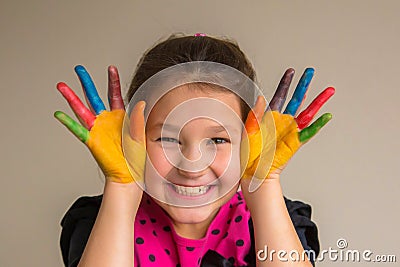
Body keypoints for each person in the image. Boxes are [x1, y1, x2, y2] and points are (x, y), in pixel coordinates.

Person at [56, 33, 335, 267]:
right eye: (167, 139)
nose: (192, 165)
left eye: (217, 141)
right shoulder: (97, 221)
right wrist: (121, 187)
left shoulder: (277, 220)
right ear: (132, 138)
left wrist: (264, 183)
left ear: (250, 142)